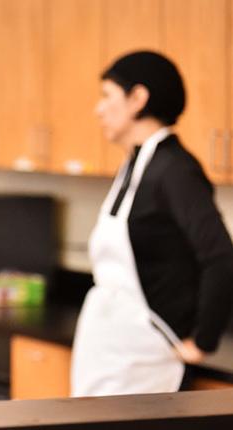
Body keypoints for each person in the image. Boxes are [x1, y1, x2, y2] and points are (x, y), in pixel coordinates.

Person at [70, 50, 233, 397]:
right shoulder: (137, 164)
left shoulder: (174, 170)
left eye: (107, 96)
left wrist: (202, 341)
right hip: (111, 351)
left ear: (138, 99)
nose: (98, 109)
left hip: (145, 360)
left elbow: (220, 256)